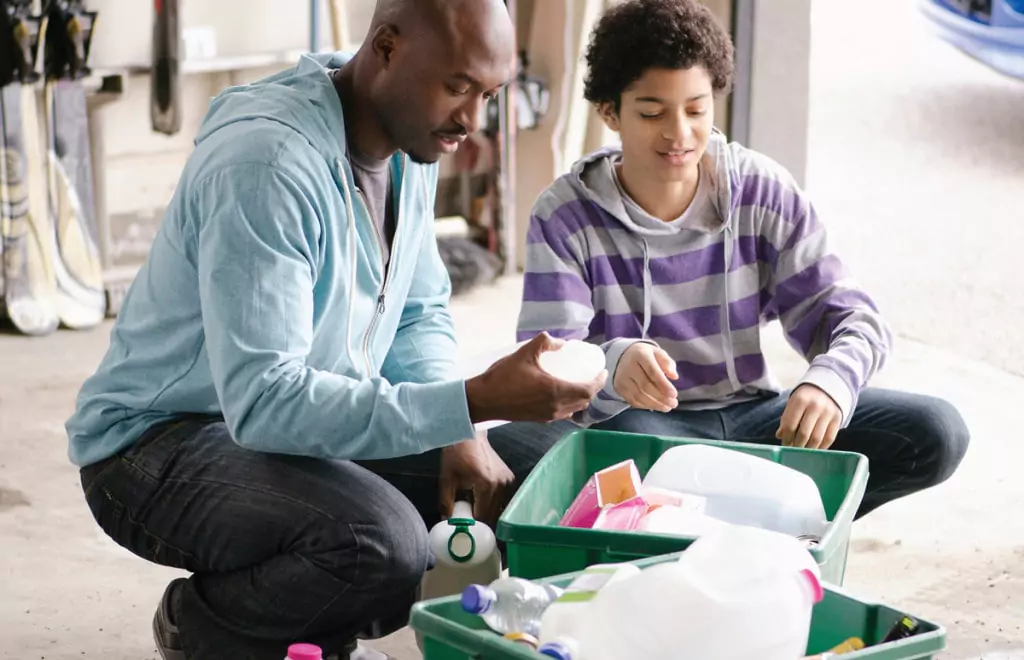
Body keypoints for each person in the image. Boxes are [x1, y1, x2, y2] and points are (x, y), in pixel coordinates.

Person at [67, 1, 604, 658]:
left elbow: (417, 310)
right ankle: (208, 626)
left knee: (527, 466)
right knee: (377, 543)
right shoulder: (267, 165)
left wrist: (457, 428)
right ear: (385, 48)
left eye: (489, 94)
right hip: (154, 446)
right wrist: (473, 399)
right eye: (458, 86)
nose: (472, 120)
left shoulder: (412, 143)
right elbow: (265, 401)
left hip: (298, 415)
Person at [517, 0, 969, 519]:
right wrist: (614, 366)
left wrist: (829, 383)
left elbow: (854, 317)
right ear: (609, 111)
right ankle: (744, 520)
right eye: (651, 112)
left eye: (696, 109)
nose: (679, 133)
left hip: (756, 422)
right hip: (641, 428)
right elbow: (544, 365)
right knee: (519, 448)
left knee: (936, 431)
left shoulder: (760, 190)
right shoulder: (564, 214)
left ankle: (727, 521)